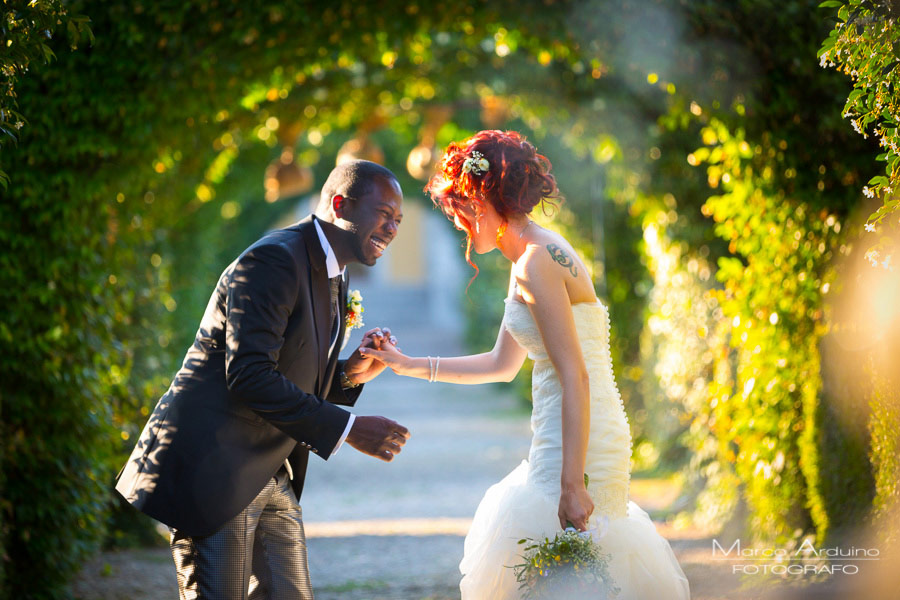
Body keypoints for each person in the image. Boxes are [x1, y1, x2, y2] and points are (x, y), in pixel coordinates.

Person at [360, 131, 691, 599]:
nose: (460, 226)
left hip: (580, 432)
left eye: (459, 211)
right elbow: (501, 363)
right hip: (563, 427)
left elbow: (575, 374)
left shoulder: (537, 262)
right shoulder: (529, 258)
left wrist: (572, 484)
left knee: (576, 564)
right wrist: (407, 363)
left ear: (480, 200)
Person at [116, 159, 411, 600]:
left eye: (399, 221)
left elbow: (287, 371)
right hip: (215, 470)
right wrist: (348, 429)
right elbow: (250, 376)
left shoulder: (335, 271)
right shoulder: (274, 259)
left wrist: (350, 372)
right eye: (384, 215)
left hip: (272, 472)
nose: (392, 229)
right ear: (340, 205)